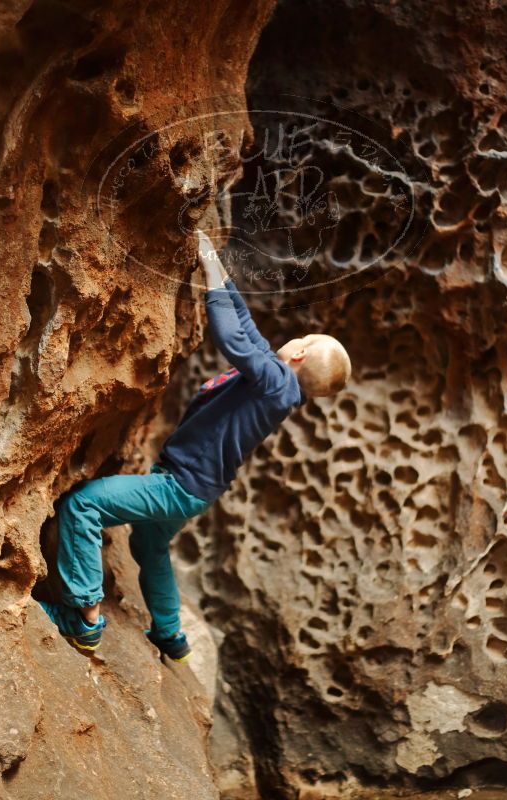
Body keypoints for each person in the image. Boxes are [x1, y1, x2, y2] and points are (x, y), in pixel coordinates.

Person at [39, 230, 351, 662]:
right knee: (148, 546)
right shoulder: (276, 380)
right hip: (192, 486)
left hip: (179, 487)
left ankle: (85, 617)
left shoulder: (276, 386)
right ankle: (170, 634)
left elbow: (233, 341)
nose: (296, 338)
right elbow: (249, 331)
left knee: (83, 506)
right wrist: (221, 275)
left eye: (305, 339)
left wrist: (207, 269)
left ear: (298, 354)